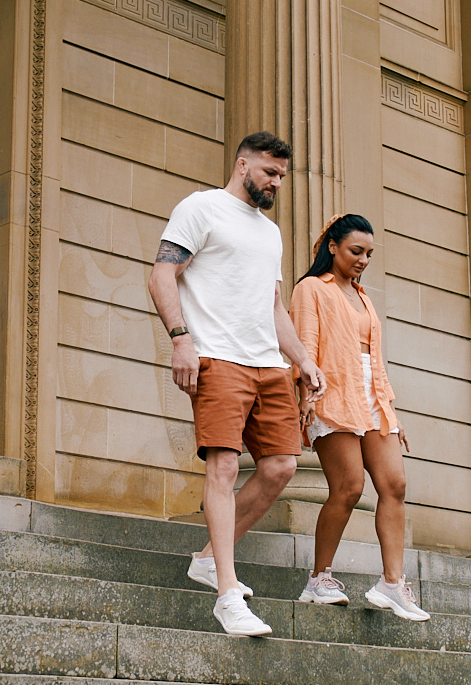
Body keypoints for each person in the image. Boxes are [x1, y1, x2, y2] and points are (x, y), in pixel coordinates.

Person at [148, 132, 326, 637]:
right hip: (217, 358)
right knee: (223, 464)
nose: (275, 183)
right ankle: (228, 593)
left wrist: (303, 361)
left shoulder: (270, 233)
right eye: (269, 172)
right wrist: (181, 341)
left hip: (267, 364)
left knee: (281, 467)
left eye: (282, 177)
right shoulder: (201, 208)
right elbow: (162, 276)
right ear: (242, 163)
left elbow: (273, 307)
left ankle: (207, 559)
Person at [287, 214, 430, 621]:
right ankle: (318, 579)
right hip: (332, 395)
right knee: (348, 487)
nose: (363, 259)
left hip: (371, 398)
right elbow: (306, 346)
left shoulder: (363, 297)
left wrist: (391, 410)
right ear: (331, 246)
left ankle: (392, 583)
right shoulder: (311, 288)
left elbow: (375, 360)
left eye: (369, 253)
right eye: (355, 251)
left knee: (394, 484)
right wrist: (307, 395)